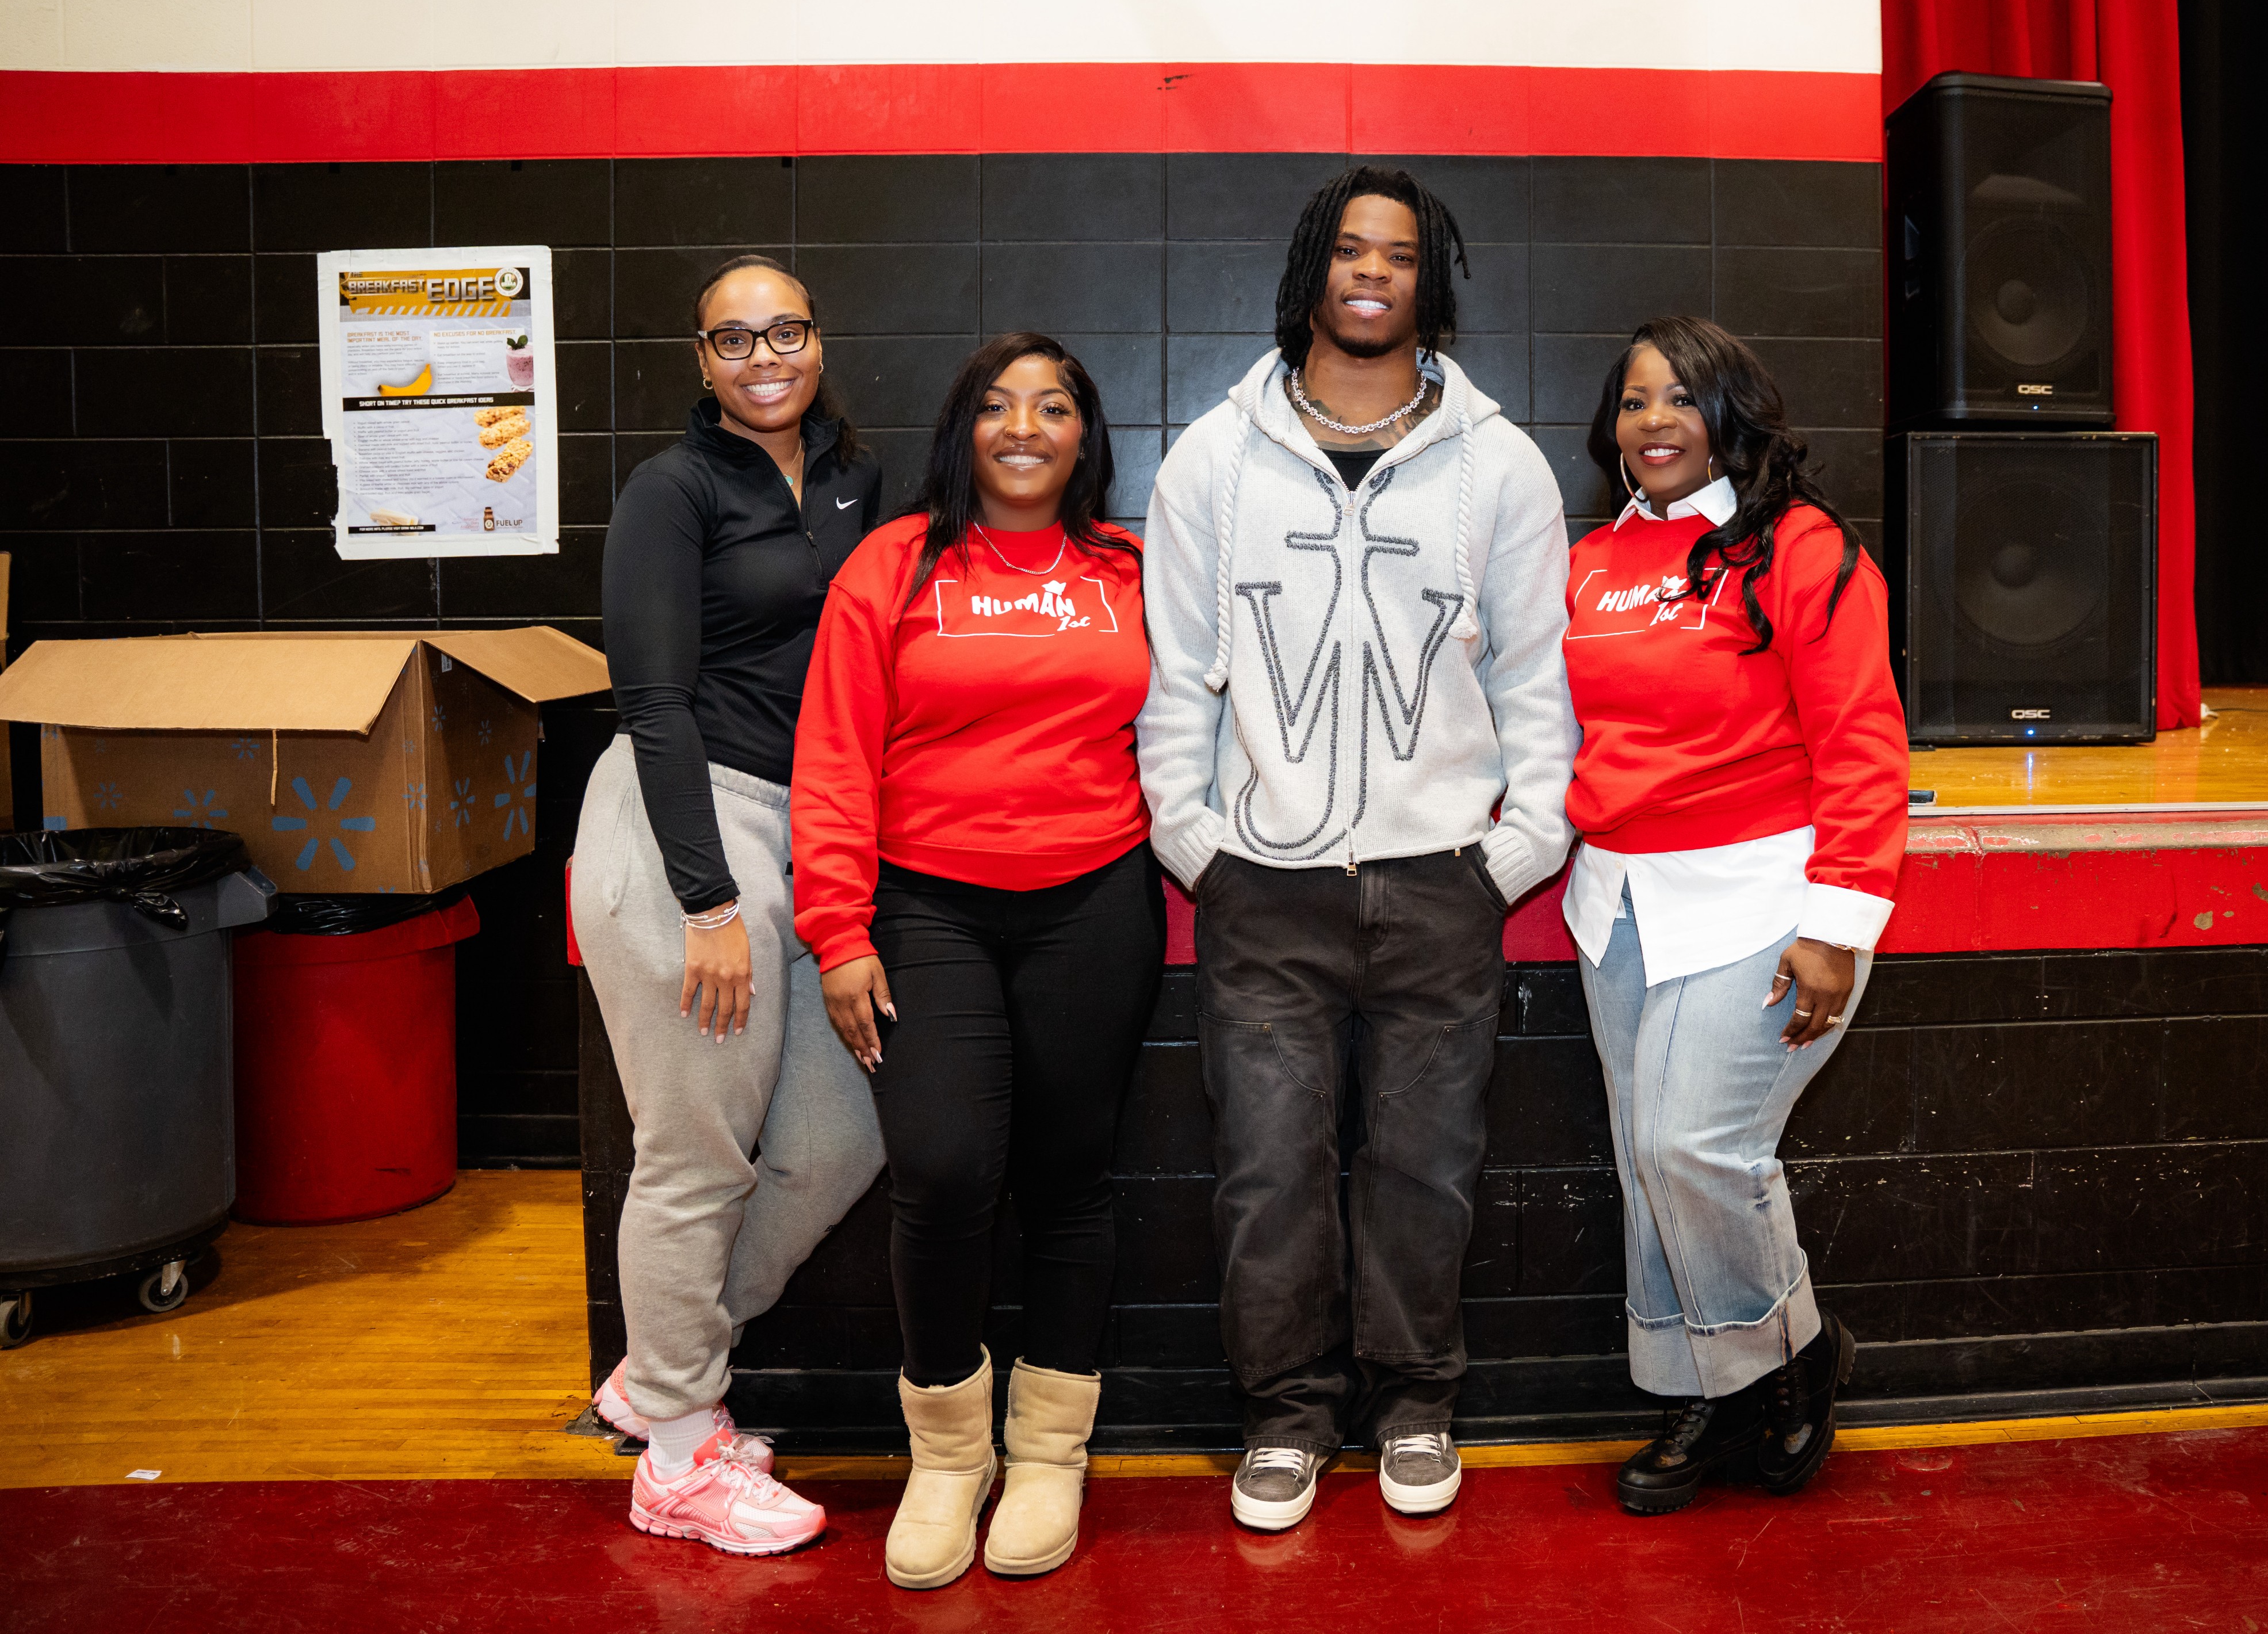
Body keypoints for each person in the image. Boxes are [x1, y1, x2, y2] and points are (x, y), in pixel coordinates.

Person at [1139, 166, 1576, 1532]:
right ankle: (1283, 1414)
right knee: (1267, 1168)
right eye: (1348, 250)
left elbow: (1535, 684)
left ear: (1426, 280)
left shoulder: (1498, 464)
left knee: (1424, 1167)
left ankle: (1416, 1401)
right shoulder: (1214, 456)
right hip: (1260, 891)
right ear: (1311, 273)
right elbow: (1174, 677)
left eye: (1397, 253)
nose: (1371, 272)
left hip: (1440, 883)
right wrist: (1198, 844)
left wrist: (1507, 854)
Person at [791, 334, 1160, 1590]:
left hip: (1095, 901)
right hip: (925, 909)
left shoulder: (1128, 569)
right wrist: (837, 929)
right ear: (964, 432)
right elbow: (834, 756)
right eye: (998, 406)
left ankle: (1050, 1452)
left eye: (1053, 405)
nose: (1024, 426)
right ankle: (947, 1456)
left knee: (1068, 1177)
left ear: (1081, 437)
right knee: (943, 1171)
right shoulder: (892, 566)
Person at [1560, 317, 1909, 1515]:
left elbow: (1863, 739)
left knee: (1693, 1149)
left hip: (1764, 901)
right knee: (1640, 1164)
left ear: (1731, 414)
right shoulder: (1592, 559)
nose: (1652, 421)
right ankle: (1702, 1392)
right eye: (1632, 400)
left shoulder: (1801, 550)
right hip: (1619, 904)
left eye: (1679, 399)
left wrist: (1836, 925)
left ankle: (1795, 1352)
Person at [572, 253, 886, 1555]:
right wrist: (705, 899)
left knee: (840, 1135)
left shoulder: (856, 479)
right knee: (695, 1153)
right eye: (734, 338)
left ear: (819, 340)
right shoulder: (672, 488)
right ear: (699, 360)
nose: (765, 355)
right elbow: (648, 696)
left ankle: (658, 1374)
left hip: (809, 830)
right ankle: (681, 1452)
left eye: (788, 330)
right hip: (682, 824)